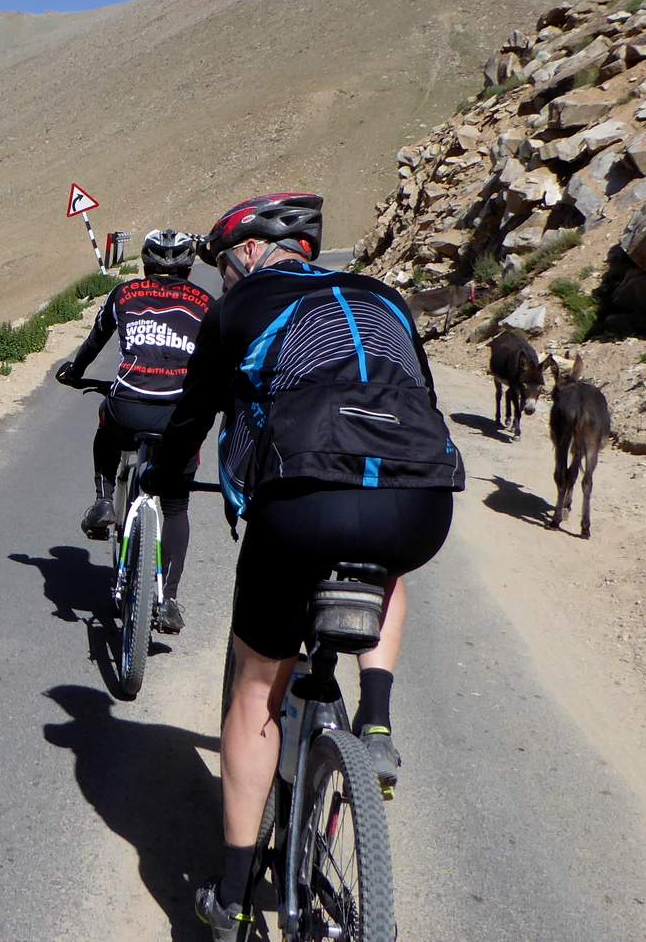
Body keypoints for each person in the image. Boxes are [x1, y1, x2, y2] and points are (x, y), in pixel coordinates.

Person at [139, 193, 463, 935]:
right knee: (387, 570)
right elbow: (424, 400)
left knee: (256, 695)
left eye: (225, 264)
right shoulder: (387, 298)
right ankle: (376, 721)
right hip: (420, 504)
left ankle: (231, 893)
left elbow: (192, 418)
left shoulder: (240, 307)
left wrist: (164, 480)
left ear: (250, 254)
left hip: (302, 500)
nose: (224, 278)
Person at [53, 229, 213, 633]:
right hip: (180, 417)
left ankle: (105, 500)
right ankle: (170, 598)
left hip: (130, 406)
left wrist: (75, 372)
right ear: (190, 268)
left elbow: (95, 339)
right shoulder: (208, 305)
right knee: (176, 504)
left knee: (106, 424)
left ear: (144, 265)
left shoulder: (124, 295)